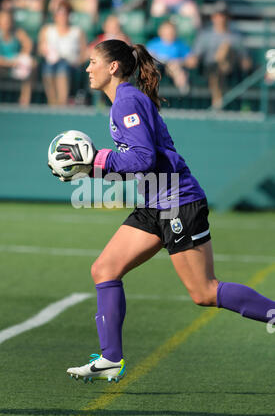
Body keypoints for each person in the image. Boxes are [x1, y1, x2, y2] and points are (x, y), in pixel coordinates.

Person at [49, 39, 275, 383]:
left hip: (176, 201)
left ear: (113, 67)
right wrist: (89, 168)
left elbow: (142, 158)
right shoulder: (123, 101)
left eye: (92, 61)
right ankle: (110, 358)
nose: (87, 68)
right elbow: (138, 161)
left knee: (204, 291)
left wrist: (94, 159)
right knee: (104, 269)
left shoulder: (126, 100)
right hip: (155, 201)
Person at [185, 1, 252, 108]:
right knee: (215, 71)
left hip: (231, 69)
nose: (221, 18)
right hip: (211, 69)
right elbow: (194, 57)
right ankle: (218, 102)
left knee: (226, 47)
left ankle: (217, 102)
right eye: (218, 15)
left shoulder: (236, 37)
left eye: (224, 15)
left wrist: (243, 61)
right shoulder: (205, 35)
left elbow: (246, 61)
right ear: (213, 17)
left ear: (228, 18)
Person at [38, 1, 87, 106]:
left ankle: (62, 102)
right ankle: (52, 102)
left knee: (62, 66)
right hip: (51, 64)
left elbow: (84, 53)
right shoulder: (47, 30)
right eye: (59, 13)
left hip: (72, 66)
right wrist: (44, 50)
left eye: (65, 13)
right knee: (50, 67)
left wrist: (77, 62)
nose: (62, 16)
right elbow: (40, 50)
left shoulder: (77, 31)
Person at [0, 8, 35, 106]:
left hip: (17, 66)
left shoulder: (18, 32)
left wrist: (21, 57)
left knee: (32, 65)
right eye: (3, 21)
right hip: (1, 66)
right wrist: (11, 62)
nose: (6, 24)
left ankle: (24, 101)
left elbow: (28, 44)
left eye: (8, 21)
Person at [146, 19, 191, 95]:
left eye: (171, 31)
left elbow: (192, 60)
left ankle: (183, 90)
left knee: (174, 67)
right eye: (167, 31)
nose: (169, 34)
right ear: (160, 32)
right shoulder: (153, 44)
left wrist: (180, 62)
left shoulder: (180, 44)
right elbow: (148, 56)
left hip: (173, 67)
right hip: (157, 67)